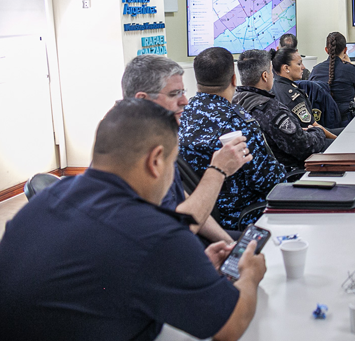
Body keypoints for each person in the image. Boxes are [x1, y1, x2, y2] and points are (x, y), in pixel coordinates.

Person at [0, 99, 266, 341]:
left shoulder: (47, 197)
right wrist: (250, 275)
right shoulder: (154, 232)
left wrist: (186, 270)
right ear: (156, 161)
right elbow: (230, 326)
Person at [121, 55, 245, 244]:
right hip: (166, 245)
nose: (185, 101)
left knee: (250, 243)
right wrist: (218, 170)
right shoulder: (133, 156)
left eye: (183, 92)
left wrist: (229, 243)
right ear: (143, 101)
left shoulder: (158, 140)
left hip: (182, 237)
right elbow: (175, 231)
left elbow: (184, 201)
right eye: (174, 94)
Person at [179, 47, 287, 230]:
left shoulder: (181, 116)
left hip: (199, 216)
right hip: (244, 219)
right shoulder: (238, 123)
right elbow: (270, 181)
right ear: (234, 79)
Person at [233, 49, 327, 171]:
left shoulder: (234, 103)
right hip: (287, 174)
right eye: (271, 71)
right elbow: (303, 147)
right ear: (265, 76)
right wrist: (318, 132)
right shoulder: (271, 110)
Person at [309, 32, 355, 124]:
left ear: (326, 50)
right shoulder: (350, 69)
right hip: (346, 122)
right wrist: (351, 64)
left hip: (322, 123)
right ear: (345, 50)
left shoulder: (316, 70)